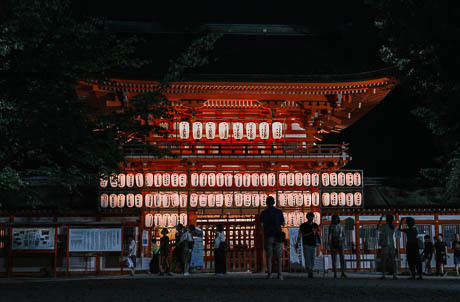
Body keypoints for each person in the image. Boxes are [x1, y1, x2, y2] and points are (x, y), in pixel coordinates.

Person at [260, 196, 286, 280]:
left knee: (269, 256)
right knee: (278, 256)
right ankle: (280, 274)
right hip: (278, 235)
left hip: (268, 235)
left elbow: (261, 224)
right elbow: (283, 223)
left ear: (266, 203)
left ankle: (270, 273)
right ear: (274, 203)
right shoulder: (279, 212)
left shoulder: (264, 213)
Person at [296, 212, 319, 279]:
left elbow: (318, 234)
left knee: (312, 258)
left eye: (312, 217)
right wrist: (297, 242)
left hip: (313, 243)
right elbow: (300, 234)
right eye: (310, 217)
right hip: (306, 243)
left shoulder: (315, 225)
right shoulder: (303, 225)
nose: (311, 218)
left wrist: (318, 244)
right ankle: (310, 271)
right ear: (307, 218)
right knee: (307, 258)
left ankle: (310, 270)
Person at [377, 214, 397, 279]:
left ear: (386, 219)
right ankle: (394, 275)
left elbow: (377, 228)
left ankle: (383, 275)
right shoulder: (393, 226)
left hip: (385, 244)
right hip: (392, 244)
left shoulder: (384, 226)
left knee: (384, 261)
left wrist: (380, 219)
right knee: (393, 260)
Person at [328, 214, 347, 279]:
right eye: (334, 219)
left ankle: (342, 272)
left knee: (342, 257)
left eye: (336, 219)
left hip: (340, 242)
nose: (335, 220)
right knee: (334, 258)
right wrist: (330, 242)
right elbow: (330, 235)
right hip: (334, 242)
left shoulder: (341, 226)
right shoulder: (331, 226)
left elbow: (344, 235)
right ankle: (335, 273)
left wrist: (342, 239)